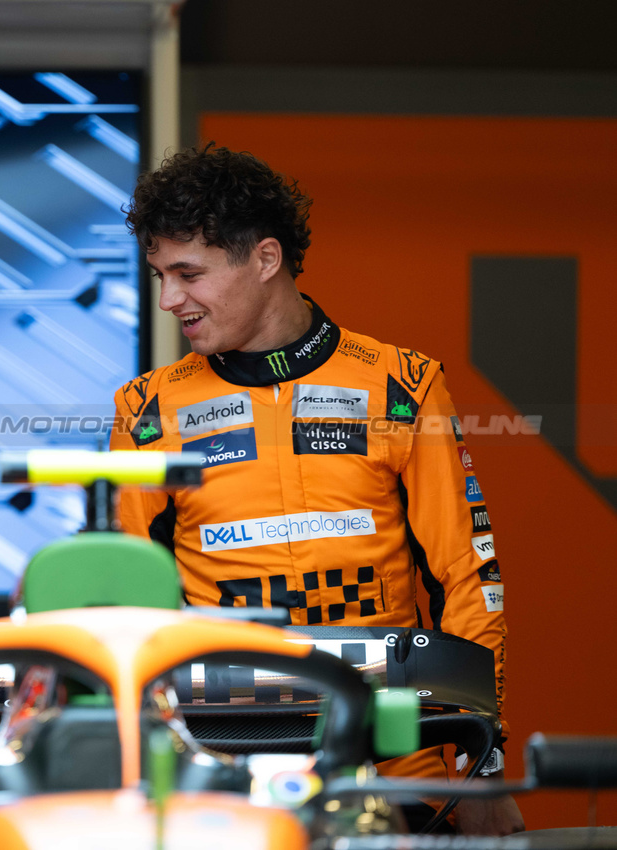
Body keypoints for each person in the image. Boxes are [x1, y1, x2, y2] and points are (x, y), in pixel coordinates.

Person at [109, 144, 522, 835]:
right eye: (158, 275)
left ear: (264, 260)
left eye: (187, 274)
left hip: (392, 760)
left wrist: (480, 763)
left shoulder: (401, 384)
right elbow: (127, 606)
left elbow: (466, 576)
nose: (168, 300)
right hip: (221, 765)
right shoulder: (146, 409)